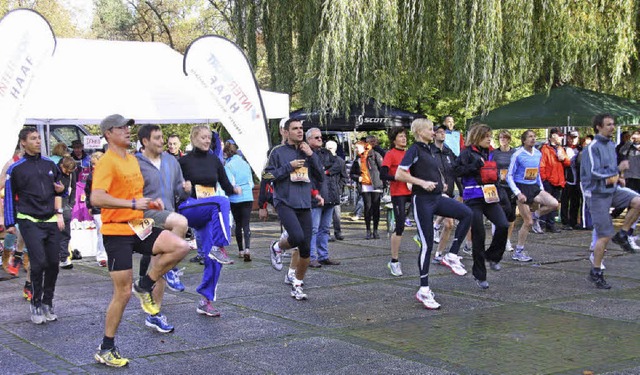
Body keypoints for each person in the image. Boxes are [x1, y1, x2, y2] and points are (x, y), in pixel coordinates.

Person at [92, 114, 189, 367]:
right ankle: (106, 347)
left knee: (180, 246)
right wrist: (132, 203)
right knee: (122, 293)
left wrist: (150, 202)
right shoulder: (106, 162)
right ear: (108, 134)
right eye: (121, 128)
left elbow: (137, 195)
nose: (127, 131)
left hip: (137, 224)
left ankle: (145, 285)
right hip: (116, 231)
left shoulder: (132, 161)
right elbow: (97, 198)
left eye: (128, 127)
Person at [395, 118, 472, 309]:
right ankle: (424, 290)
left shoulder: (431, 149)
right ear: (420, 132)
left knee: (466, 213)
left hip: (438, 197)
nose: (434, 132)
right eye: (430, 129)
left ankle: (452, 255)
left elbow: (432, 171)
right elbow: (399, 174)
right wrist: (422, 183)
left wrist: (440, 183)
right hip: (422, 201)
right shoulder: (415, 149)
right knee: (427, 245)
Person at [4, 127, 65, 324]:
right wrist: (9, 222)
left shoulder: (49, 164)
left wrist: (61, 192)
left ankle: (48, 302)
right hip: (29, 221)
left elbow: (59, 190)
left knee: (54, 264)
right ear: (23, 142)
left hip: (50, 220)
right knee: (38, 263)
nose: (38, 141)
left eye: (39, 138)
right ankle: (36, 303)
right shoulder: (16, 168)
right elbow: (9, 199)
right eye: (33, 138)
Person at [178, 125, 241, 316]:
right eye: (203, 137)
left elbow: (226, 186)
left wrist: (235, 190)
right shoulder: (184, 161)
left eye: (209, 138)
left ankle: (205, 301)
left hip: (209, 212)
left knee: (213, 260)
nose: (207, 141)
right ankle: (220, 245)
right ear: (193, 138)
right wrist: (184, 189)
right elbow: (174, 189)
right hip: (189, 207)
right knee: (220, 201)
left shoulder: (214, 160)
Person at [136, 124, 192, 332]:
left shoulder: (171, 161)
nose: (162, 142)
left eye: (162, 138)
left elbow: (179, 191)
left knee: (158, 265)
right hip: (141, 220)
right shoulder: (135, 163)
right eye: (157, 138)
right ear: (145, 141)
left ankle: (154, 313)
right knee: (180, 225)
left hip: (167, 216)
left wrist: (187, 189)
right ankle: (171, 270)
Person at [264, 118, 324, 300]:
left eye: (301, 128)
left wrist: (311, 155)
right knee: (297, 238)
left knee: (305, 249)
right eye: (295, 128)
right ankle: (277, 246)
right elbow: (267, 175)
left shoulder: (308, 151)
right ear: (286, 132)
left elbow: (321, 176)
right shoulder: (278, 151)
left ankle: (297, 285)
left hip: (305, 203)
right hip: (285, 202)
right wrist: (287, 168)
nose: (299, 131)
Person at [581, 114, 640, 289]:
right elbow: (594, 172)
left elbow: (610, 171)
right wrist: (617, 170)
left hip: (611, 189)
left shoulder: (611, 145)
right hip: (596, 193)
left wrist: (618, 177)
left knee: (638, 201)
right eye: (608, 125)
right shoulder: (592, 147)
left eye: (613, 124)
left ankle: (623, 234)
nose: (612, 127)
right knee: (604, 236)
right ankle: (596, 271)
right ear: (598, 127)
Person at [454, 124, 509, 289]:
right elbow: (455, 170)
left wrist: (502, 197)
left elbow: (495, 176)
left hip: (490, 196)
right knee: (478, 236)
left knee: (503, 224)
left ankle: (492, 256)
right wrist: (473, 166)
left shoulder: (491, 153)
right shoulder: (466, 153)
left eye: (490, 136)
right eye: (486, 136)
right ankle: (480, 275)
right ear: (478, 137)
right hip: (473, 198)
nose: (489, 139)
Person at [506, 130, 559, 262]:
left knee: (554, 204)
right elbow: (509, 175)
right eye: (530, 137)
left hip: (534, 187)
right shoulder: (517, 154)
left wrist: (540, 187)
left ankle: (537, 215)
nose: (533, 139)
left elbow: (537, 173)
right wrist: (517, 192)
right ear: (524, 140)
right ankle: (518, 251)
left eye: (534, 137)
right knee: (527, 222)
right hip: (521, 188)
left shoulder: (538, 153)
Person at [305, 128, 341, 268]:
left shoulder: (326, 152)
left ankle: (323, 255)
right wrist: (323, 169)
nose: (320, 139)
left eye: (320, 137)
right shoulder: (306, 154)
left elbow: (338, 164)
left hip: (330, 194)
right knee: (314, 228)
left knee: (325, 228)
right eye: (316, 137)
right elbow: (312, 172)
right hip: (316, 196)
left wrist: (325, 170)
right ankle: (312, 257)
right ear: (308, 140)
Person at [380, 126, 412, 276]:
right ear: (394, 140)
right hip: (398, 193)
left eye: (405, 136)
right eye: (400, 136)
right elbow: (383, 174)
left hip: (412, 191)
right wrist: (397, 177)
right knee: (400, 226)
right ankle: (394, 261)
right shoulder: (390, 154)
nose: (404, 138)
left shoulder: (408, 153)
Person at [429, 125, 459, 264]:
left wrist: (461, 189)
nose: (442, 135)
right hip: (436, 193)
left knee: (449, 225)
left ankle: (439, 253)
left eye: (443, 132)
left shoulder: (448, 152)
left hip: (449, 191)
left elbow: (456, 170)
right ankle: (438, 253)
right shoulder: (429, 151)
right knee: (449, 223)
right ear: (433, 135)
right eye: (439, 132)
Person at [223, 140, 254, 262]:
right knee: (246, 224)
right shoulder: (245, 164)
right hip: (247, 196)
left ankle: (240, 250)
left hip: (235, 198)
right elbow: (251, 183)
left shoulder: (228, 166)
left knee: (238, 224)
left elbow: (231, 183)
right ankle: (248, 249)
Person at [350, 140, 384, 239]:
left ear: (363, 146)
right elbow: (352, 173)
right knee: (367, 207)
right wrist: (358, 178)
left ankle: (376, 230)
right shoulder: (358, 159)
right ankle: (368, 230)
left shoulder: (374, 155)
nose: (355, 150)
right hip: (365, 185)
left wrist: (384, 182)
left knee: (376, 208)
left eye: (357, 148)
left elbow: (382, 168)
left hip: (376, 184)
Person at [539, 128, 571, 233]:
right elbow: (542, 165)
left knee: (555, 204)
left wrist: (564, 159)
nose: (561, 138)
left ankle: (551, 224)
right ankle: (542, 224)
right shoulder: (545, 149)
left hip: (558, 180)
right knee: (546, 203)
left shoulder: (560, 149)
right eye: (559, 136)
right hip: (549, 180)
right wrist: (544, 179)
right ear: (553, 136)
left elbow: (568, 163)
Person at [492, 130, 517, 251]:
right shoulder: (494, 153)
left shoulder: (514, 152)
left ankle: (507, 239)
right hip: (498, 186)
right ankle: (497, 238)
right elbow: (490, 168)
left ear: (509, 139)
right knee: (499, 212)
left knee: (511, 215)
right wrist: (498, 175)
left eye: (505, 138)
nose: (502, 140)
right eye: (500, 138)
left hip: (511, 187)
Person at [84, 151, 107, 267]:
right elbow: (88, 192)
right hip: (97, 207)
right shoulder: (91, 176)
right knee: (101, 231)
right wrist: (89, 206)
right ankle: (102, 256)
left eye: (94, 164)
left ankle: (108, 254)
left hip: (109, 206)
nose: (93, 167)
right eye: (92, 164)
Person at [57, 156, 78, 270]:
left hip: (66, 206)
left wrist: (71, 203)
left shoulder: (71, 174)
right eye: (67, 171)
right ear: (62, 166)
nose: (68, 173)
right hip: (55, 206)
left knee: (65, 233)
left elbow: (73, 188)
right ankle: (57, 257)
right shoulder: (55, 172)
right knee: (54, 233)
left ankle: (64, 257)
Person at [560, 130, 582, 230]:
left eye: (575, 137)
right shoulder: (563, 149)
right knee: (565, 201)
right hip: (566, 179)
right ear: (568, 138)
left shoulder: (581, 149)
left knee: (575, 202)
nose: (573, 140)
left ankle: (573, 222)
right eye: (571, 137)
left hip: (578, 180)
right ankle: (565, 222)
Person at [326, 140, 347, 241]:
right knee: (326, 214)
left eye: (330, 148)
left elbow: (344, 177)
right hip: (325, 190)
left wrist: (339, 187)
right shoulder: (322, 160)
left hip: (335, 190)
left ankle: (338, 232)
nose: (328, 150)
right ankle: (326, 233)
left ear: (334, 149)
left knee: (336, 213)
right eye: (327, 148)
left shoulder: (340, 161)